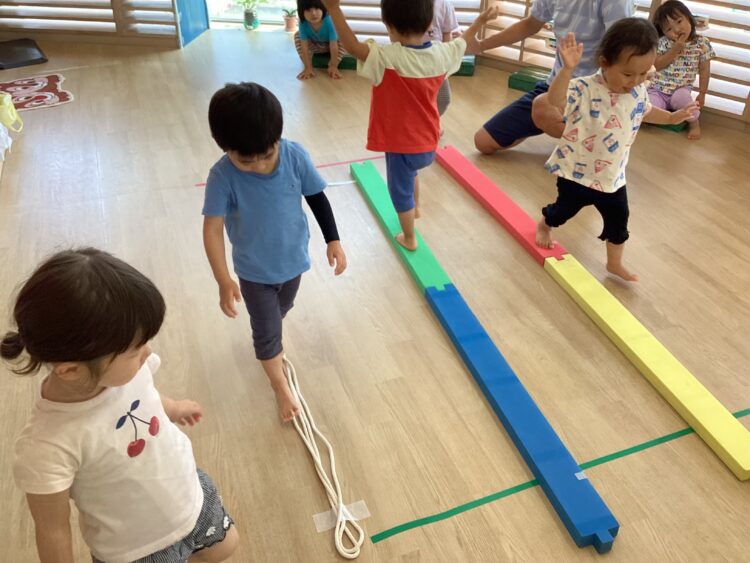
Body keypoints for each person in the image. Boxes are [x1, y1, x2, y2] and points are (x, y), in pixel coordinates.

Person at [2, 248, 238, 563]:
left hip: (189, 494)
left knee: (225, 546)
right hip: (138, 548)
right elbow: (52, 531)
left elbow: (145, 398)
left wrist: (172, 408)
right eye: (135, 350)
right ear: (71, 370)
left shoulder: (127, 372)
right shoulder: (47, 446)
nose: (147, 352)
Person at [203, 82, 347, 422]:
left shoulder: (294, 156)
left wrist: (333, 239)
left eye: (267, 155)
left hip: (294, 261)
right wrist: (223, 279)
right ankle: (280, 386)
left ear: (277, 139)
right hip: (254, 272)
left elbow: (316, 197)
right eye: (245, 160)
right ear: (225, 148)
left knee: (282, 309)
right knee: (267, 331)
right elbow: (212, 229)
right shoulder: (222, 176)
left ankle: (269, 334)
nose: (258, 165)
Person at [321, 0, 495, 250]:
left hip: (401, 145)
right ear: (429, 23)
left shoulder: (387, 57)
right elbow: (464, 42)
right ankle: (418, 207)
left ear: (389, 26)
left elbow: (352, 47)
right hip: (429, 142)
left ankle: (409, 237)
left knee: (399, 193)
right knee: (412, 174)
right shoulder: (441, 53)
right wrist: (480, 21)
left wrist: (334, 9)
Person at [535, 21, 698, 281]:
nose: (636, 81)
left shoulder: (638, 91)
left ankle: (614, 263)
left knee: (619, 222)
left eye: (643, 73)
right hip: (576, 174)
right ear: (605, 62)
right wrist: (567, 69)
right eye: (628, 74)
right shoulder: (584, 88)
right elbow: (555, 100)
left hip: (612, 178)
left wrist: (672, 117)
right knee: (562, 212)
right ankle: (545, 225)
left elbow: (646, 112)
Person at [472, 0, 634, 155]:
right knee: (483, 141)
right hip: (559, 83)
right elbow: (530, 24)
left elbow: (623, 48)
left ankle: (596, 149)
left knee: (542, 107)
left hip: (598, 92)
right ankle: (581, 138)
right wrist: (480, 45)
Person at [650, 0, 714, 140]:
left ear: (689, 18)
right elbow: (656, 65)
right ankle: (662, 116)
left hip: (681, 88)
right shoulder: (663, 42)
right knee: (647, 107)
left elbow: (705, 69)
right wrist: (675, 49)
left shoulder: (701, 43)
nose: (677, 30)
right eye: (669, 29)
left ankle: (694, 123)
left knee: (685, 102)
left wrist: (702, 93)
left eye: (679, 21)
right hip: (658, 88)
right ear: (663, 32)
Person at [423, 0, 460, 116]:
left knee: (443, 99)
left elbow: (447, 33)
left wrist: (446, 57)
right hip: (411, 57)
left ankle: (430, 121)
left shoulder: (444, 3)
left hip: (436, 59)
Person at [294, 0, 345, 80]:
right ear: (301, 12)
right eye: (308, 10)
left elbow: (334, 46)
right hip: (316, 47)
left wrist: (333, 65)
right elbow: (304, 47)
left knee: (343, 39)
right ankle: (309, 67)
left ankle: (332, 65)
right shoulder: (302, 23)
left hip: (332, 46)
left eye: (317, 8)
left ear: (323, 8)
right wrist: (307, 67)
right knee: (297, 36)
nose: (313, 13)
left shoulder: (328, 20)